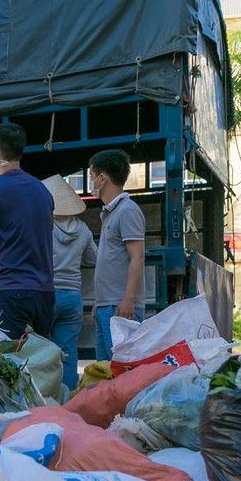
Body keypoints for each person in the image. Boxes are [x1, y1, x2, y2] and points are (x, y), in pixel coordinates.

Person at [0, 123, 55, 340]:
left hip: (11, 289)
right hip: (44, 292)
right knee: (39, 361)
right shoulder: (42, 190)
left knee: (8, 362)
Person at [89, 149, 146, 362]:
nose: (92, 181)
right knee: (105, 371)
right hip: (107, 305)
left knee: (122, 370)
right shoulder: (111, 212)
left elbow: (137, 257)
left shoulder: (127, 211)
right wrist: (99, 300)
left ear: (103, 178)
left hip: (120, 308)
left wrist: (128, 299)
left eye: (92, 176)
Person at [43, 174, 95, 390]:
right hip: (73, 297)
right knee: (67, 353)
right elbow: (93, 259)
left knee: (42, 353)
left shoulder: (44, 225)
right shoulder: (82, 229)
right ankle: (69, 402)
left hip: (47, 294)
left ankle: (45, 402)